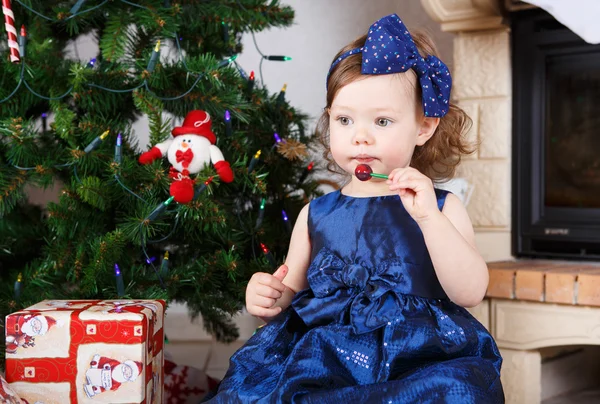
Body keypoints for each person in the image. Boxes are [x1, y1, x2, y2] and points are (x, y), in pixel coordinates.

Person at [204, 13, 504, 403]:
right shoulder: (316, 214)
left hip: (417, 355)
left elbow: (470, 292)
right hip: (325, 360)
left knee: (454, 390)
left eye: (382, 120)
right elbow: (288, 297)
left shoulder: (441, 207)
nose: (360, 136)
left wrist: (429, 219)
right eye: (345, 120)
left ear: (424, 127)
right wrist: (268, 297)